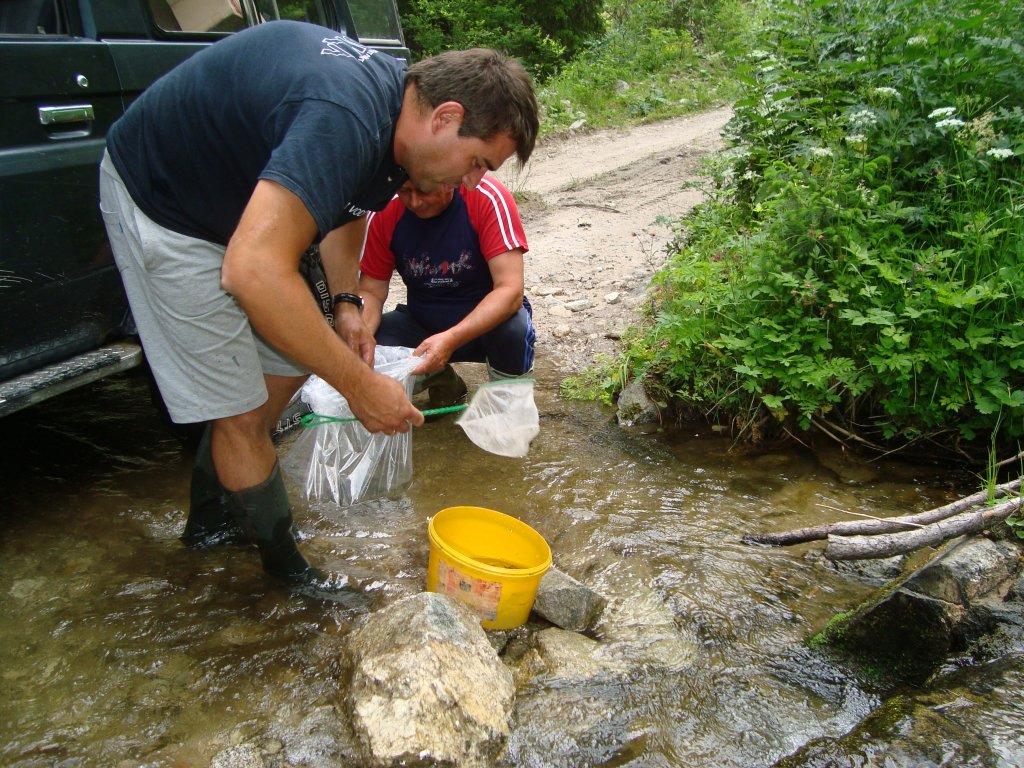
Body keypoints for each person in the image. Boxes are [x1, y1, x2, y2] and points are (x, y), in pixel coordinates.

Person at [98, 20, 539, 592]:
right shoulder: (346, 118)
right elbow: (251, 269)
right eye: (479, 161)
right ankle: (286, 573)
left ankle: (210, 522)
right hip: (165, 203)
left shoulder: (398, 125)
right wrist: (358, 385)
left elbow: (350, 203)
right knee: (237, 410)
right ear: (446, 117)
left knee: (285, 369)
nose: (476, 180)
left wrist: (347, 302)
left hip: (241, 209)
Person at [359, 175, 535, 409]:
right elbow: (371, 291)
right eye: (404, 191)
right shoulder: (384, 210)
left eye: (423, 191)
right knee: (375, 348)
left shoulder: (487, 198)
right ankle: (441, 379)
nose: (414, 202)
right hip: (423, 325)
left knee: (513, 330)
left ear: (451, 179)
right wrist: (359, 340)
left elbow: (510, 291)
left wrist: (451, 339)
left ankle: (508, 404)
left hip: (486, 328)